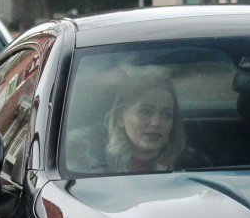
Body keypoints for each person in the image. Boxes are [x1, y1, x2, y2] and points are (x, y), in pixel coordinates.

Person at [68, 69, 203, 173]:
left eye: (166, 115)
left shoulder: (192, 167)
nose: (156, 122)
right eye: (145, 112)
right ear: (121, 118)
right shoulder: (85, 162)